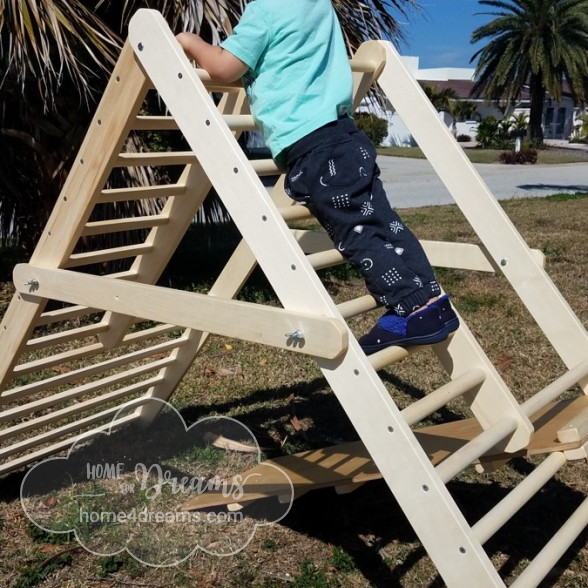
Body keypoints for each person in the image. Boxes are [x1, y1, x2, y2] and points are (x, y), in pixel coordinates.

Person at [176, 0, 458, 354]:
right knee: (385, 223)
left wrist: (190, 43)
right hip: (346, 136)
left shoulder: (265, 10)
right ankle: (432, 298)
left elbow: (223, 68)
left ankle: (409, 307)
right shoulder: (319, 6)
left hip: (313, 147)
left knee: (357, 233)